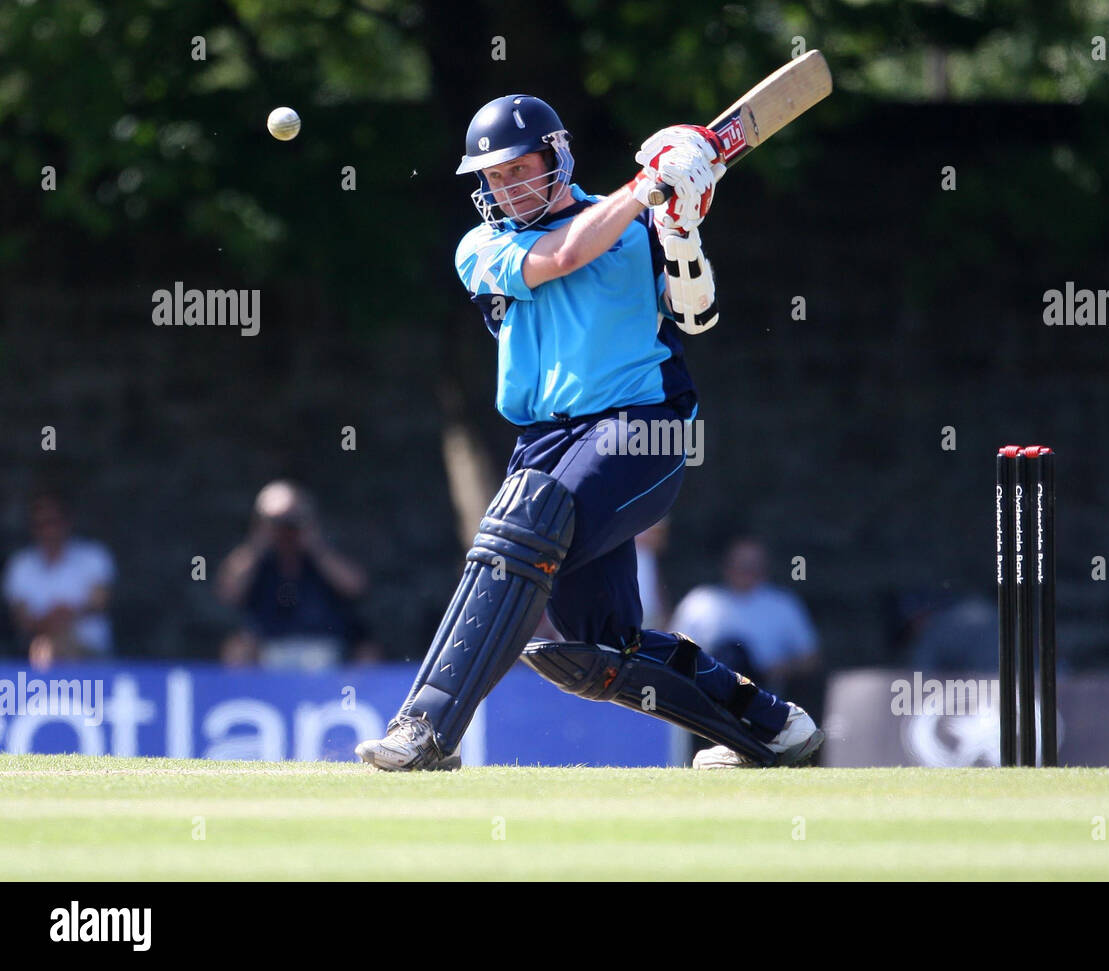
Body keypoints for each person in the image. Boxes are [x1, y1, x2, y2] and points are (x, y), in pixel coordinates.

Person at [355, 94, 823, 771]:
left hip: (645, 430)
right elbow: (568, 253)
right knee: (599, 650)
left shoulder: (637, 225)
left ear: (557, 156)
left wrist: (682, 227)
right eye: (493, 176)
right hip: (546, 441)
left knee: (526, 524)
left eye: (520, 168)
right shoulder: (484, 246)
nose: (506, 187)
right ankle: (773, 727)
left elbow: (699, 316)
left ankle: (425, 730)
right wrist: (646, 187)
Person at [216, 481, 379, 670]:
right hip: (267, 647)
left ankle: (355, 700)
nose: (285, 529)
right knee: (236, 650)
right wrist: (259, 542)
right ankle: (241, 699)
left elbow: (357, 587)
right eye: (277, 522)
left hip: (326, 645)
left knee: (368, 652)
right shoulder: (254, 559)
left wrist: (315, 546)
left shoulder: (325, 554)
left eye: (291, 520)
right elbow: (227, 593)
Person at [670, 537, 820, 695]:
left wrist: (777, 669)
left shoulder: (783, 604)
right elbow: (673, 650)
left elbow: (811, 658)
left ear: (765, 567)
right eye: (740, 564)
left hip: (763, 701)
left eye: (753, 565)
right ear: (725, 565)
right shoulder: (699, 601)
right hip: (703, 698)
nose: (746, 570)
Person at [3, 489, 115, 669]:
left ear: (67, 522)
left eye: (53, 522)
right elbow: (21, 618)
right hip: (37, 653)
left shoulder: (93, 556)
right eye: (41, 524)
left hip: (91, 652)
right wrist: (51, 621)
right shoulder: (20, 565)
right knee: (47, 646)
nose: (48, 530)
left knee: (59, 646)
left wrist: (66, 615)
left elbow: (99, 602)